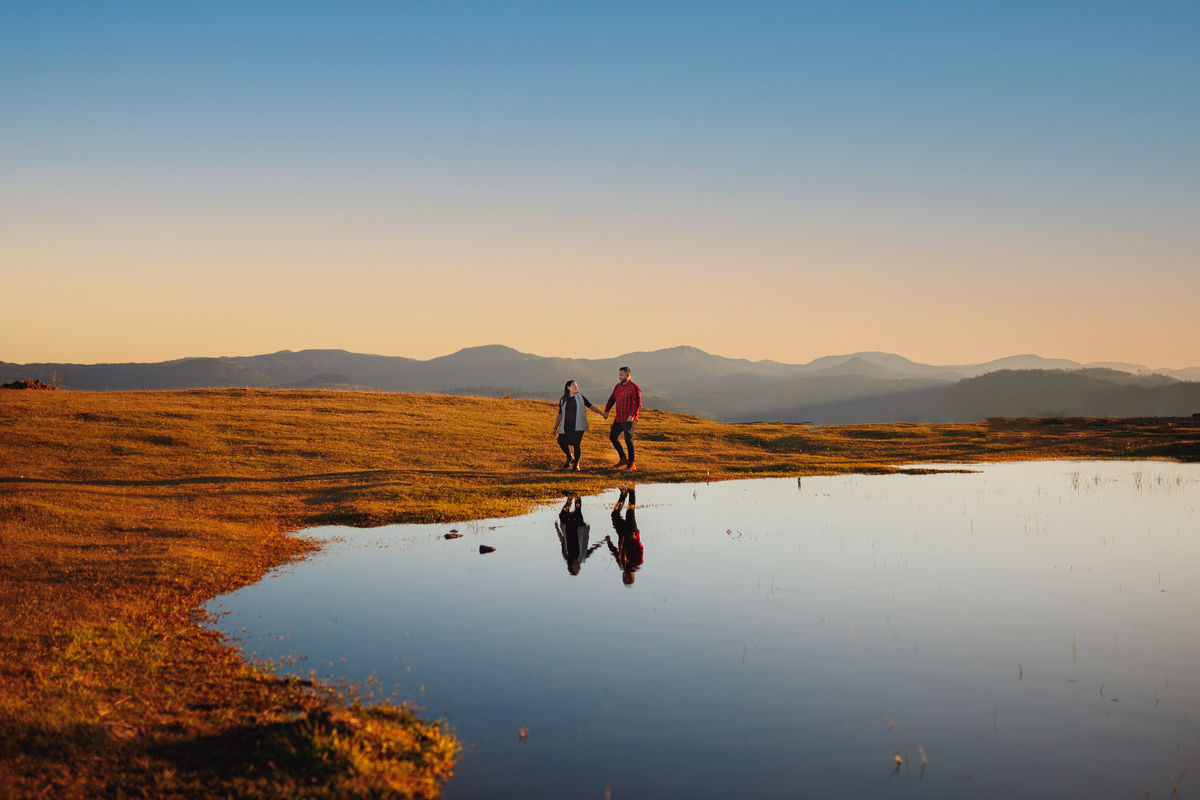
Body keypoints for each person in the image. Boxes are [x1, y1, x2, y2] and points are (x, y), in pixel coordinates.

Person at [552, 380, 606, 471]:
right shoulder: (563, 399)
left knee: (576, 444)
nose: (576, 387)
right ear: (568, 387)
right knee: (561, 441)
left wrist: (601, 413)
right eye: (573, 385)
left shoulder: (580, 397)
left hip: (578, 425)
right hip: (566, 425)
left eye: (576, 385)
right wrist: (555, 427)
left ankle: (576, 464)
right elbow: (560, 414)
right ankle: (569, 457)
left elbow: (590, 406)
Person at [604, 366, 641, 470]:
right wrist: (607, 411)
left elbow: (638, 404)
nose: (619, 377)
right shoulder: (617, 387)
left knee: (628, 439)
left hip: (629, 418)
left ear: (628, 375)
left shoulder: (634, 388)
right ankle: (623, 458)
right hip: (619, 417)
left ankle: (631, 463)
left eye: (621, 375)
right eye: (619, 375)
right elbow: (612, 399)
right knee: (613, 436)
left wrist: (632, 415)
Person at [555, 495, 601, 575]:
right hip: (579, 528)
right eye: (579, 569)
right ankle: (577, 496)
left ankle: (570, 498)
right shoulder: (582, 557)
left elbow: (562, 541)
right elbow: (592, 549)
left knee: (563, 514)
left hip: (568, 528)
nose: (579, 567)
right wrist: (602, 543)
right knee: (578, 511)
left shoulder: (566, 555)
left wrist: (557, 529)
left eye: (577, 569)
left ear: (571, 567)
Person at [605, 486, 643, 585]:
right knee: (630, 512)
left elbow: (616, 553)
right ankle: (632, 492)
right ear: (631, 576)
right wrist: (634, 538)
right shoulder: (637, 564)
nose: (624, 576)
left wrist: (609, 543)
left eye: (624, 578)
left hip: (622, 533)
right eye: (626, 578)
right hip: (631, 533)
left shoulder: (622, 565)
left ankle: (623, 495)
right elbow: (640, 549)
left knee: (614, 515)